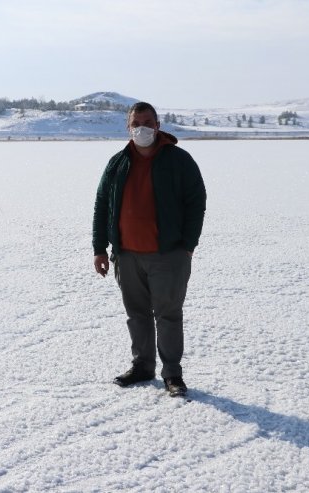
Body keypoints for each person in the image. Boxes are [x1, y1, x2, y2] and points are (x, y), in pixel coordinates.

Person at [92, 102, 206, 397]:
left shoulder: (178, 160)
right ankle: (143, 366)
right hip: (127, 255)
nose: (141, 127)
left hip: (168, 255)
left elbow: (196, 202)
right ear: (128, 127)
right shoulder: (118, 163)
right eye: (135, 123)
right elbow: (102, 204)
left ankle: (172, 374)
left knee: (168, 315)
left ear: (158, 125)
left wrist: (187, 246)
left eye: (147, 121)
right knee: (137, 314)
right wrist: (99, 248)